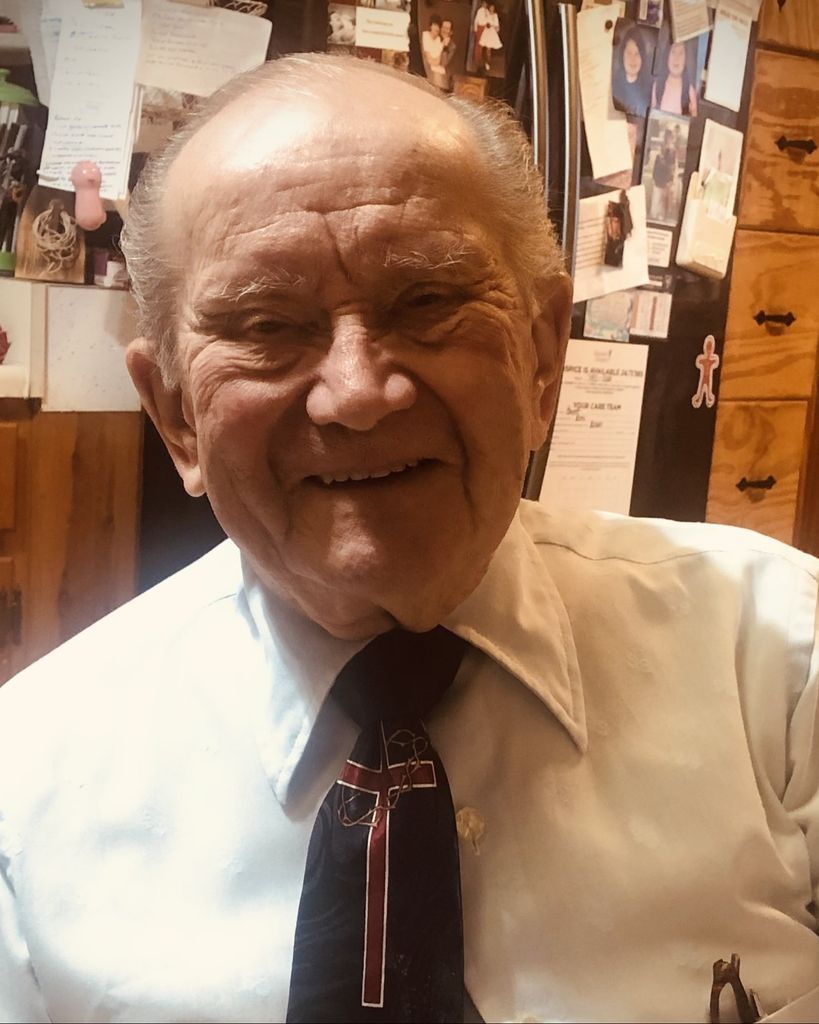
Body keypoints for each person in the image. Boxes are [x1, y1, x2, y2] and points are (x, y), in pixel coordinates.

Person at [1, 53, 819, 1024]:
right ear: (175, 415)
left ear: (543, 357)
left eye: (427, 302)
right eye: (267, 323)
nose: (357, 393)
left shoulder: (779, 668)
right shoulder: (26, 790)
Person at [612, 24, 652, 116]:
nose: (633, 59)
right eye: (629, 53)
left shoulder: (649, 90)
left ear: (642, 57)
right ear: (622, 55)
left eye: (637, 54)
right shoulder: (614, 88)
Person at [652, 39, 698, 117]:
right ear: (667, 55)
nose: (676, 58)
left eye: (681, 53)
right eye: (673, 52)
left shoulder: (689, 90)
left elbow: (694, 117)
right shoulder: (657, 86)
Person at [650, 126, 678, 221]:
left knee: (662, 201)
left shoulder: (673, 152)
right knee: (656, 199)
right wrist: (654, 176)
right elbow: (656, 164)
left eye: (670, 138)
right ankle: (654, 215)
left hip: (666, 180)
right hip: (658, 178)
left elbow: (672, 167)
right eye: (667, 137)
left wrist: (671, 180)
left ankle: (660, 216)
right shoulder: (661, 150)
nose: (668, 140)